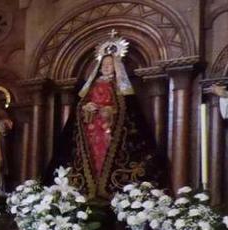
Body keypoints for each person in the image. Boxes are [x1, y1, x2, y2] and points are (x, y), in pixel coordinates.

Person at [44, 31, 163, 200]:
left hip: (110, 130)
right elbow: (78, 109)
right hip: (91, 130)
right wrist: (87, 108)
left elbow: (128, 112)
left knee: (107, 156)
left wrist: (110, 111)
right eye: (103, 64)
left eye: (110, 64)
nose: (106, 67)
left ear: (117, 66)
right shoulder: (92, 86)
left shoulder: (121, 87)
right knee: (91, 156)